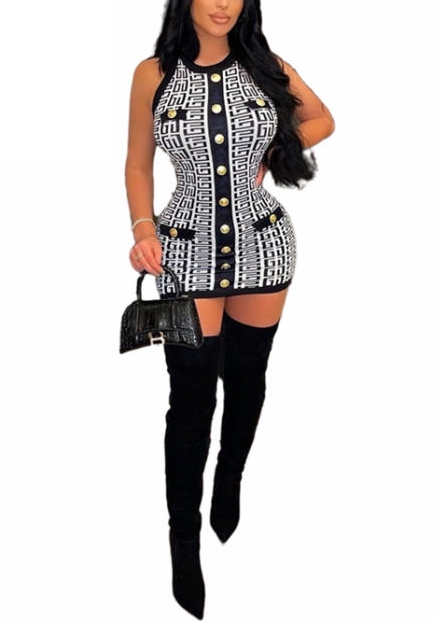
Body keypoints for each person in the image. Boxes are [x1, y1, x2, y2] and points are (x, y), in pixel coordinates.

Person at [124, 0, 334, 618]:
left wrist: (272, 155)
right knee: (190, 399)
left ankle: (230, 479)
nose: (223, 3)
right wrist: (143, 228)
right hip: (183, 250)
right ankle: (183, 539)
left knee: (247, 380)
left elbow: (323, 118)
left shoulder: (268, 65)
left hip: (264, 246)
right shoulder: (152, 73)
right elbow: (137, 162)